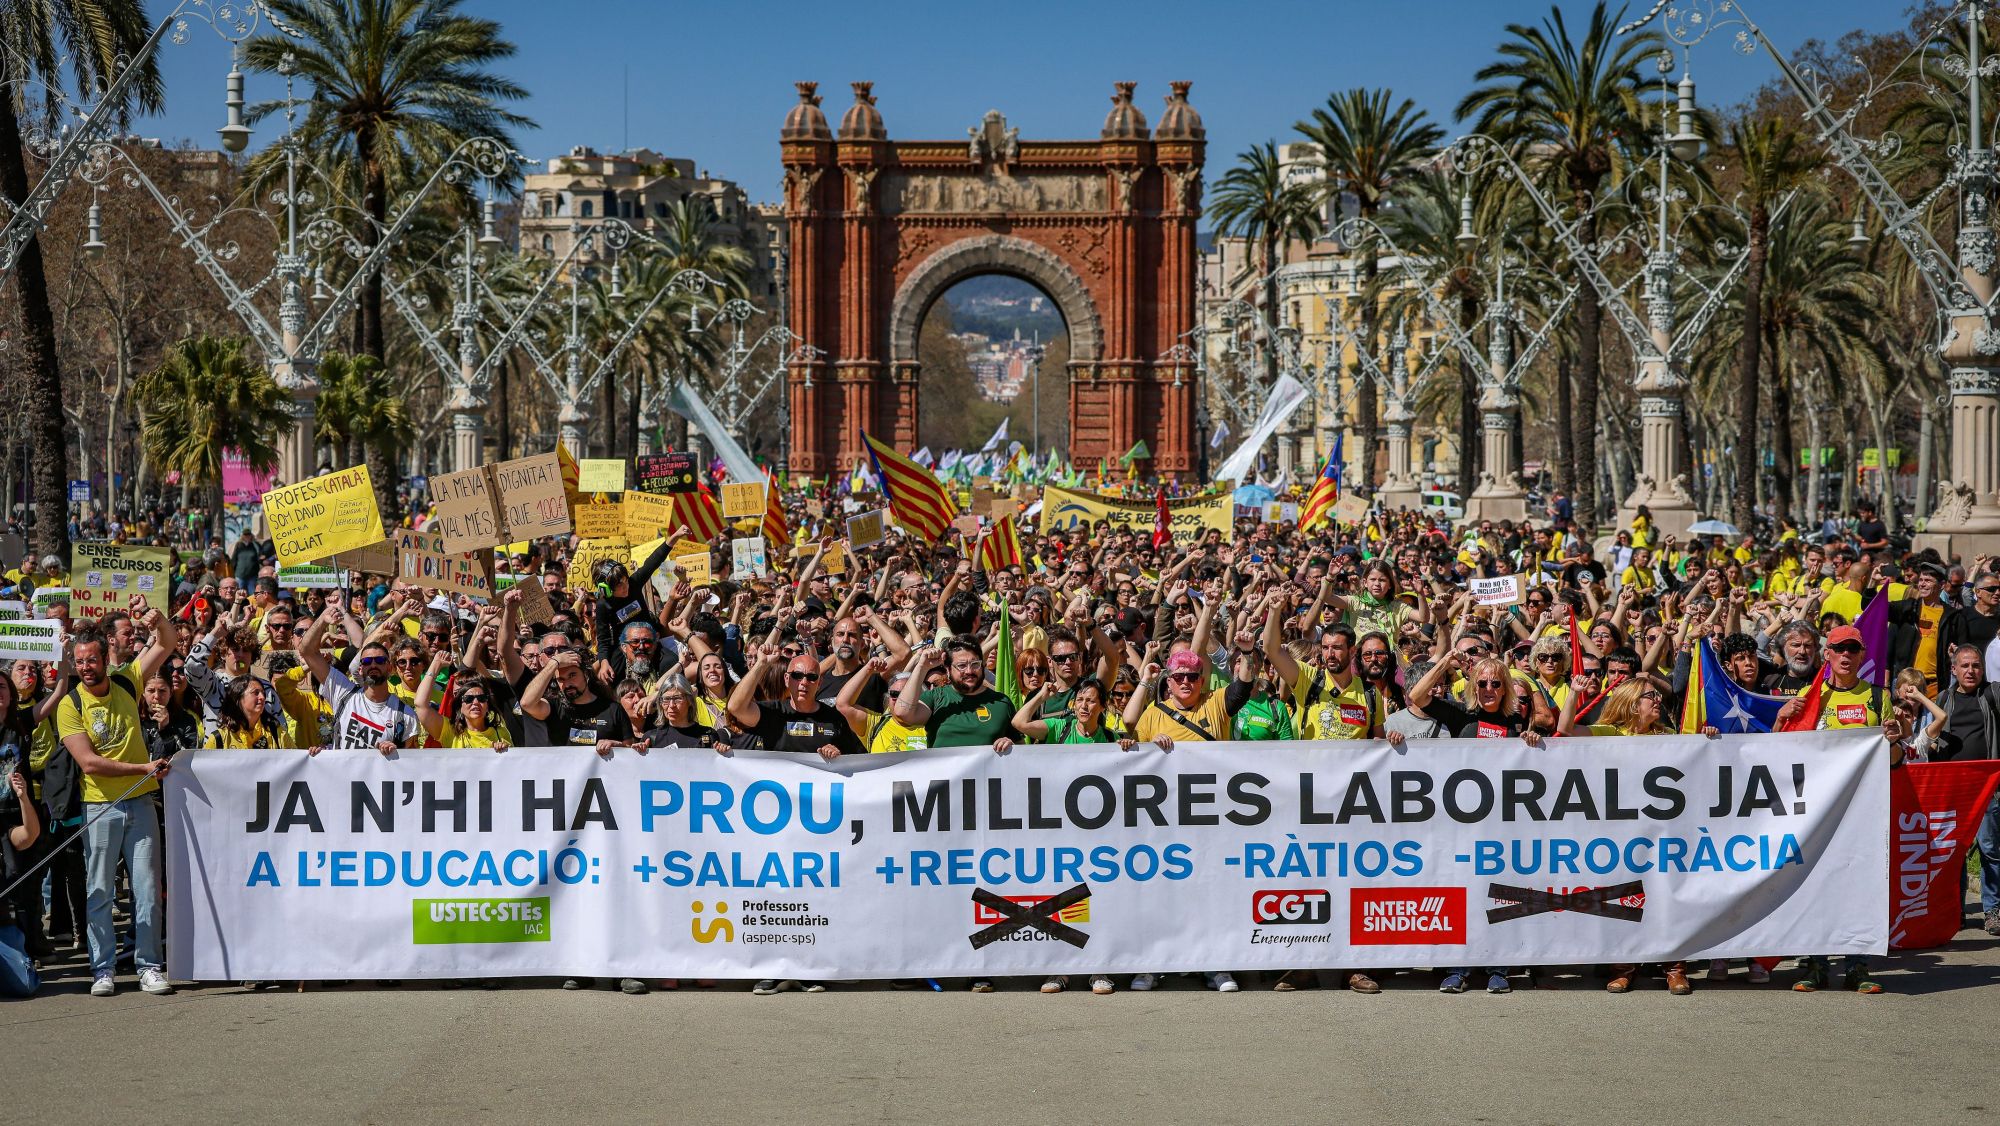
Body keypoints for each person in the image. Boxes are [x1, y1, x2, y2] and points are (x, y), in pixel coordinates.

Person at [54, 597, 178, 998]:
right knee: (100, 891)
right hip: (99, 807)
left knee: (145, 888)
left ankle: (149, 966)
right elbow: (89, 763)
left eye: (92, 660)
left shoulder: (128, 680)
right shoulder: (69, 705)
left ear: (105, 658)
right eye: (80, 662)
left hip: (141, 803)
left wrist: (156, 618)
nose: (86, 668)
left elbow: (167, 644)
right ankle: (102, 969)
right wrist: (143, 769)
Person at [893, 638, 1017, 751]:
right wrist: (922, 667)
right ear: (948, 670)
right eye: (961, 666)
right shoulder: (936, 697)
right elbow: (902, 713)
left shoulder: (1002, 702)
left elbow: (1022, 749)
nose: (969, 671)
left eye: (975, 664)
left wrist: (1011, 745)